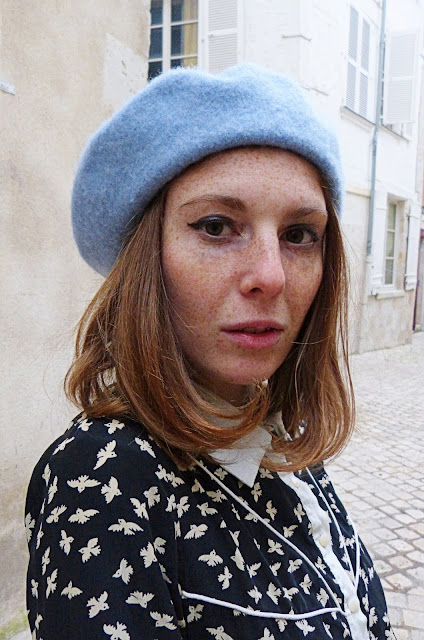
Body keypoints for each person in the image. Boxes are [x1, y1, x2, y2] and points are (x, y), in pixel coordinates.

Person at [25, 64, 394, 640]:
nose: (271, 276)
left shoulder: (275, 436)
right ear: (146, 261)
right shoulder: (104, 477)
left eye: (299, 235)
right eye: (218, 226)